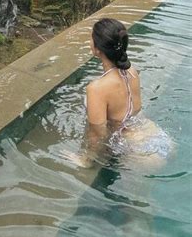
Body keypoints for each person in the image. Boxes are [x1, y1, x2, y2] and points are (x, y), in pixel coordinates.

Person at [64, 17, 173, 168]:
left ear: (97, 49)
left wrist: (86, 160)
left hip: (139, 151)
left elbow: (97, 133)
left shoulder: (96, 88)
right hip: (158, 136)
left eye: (91, 39)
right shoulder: (132, 72)